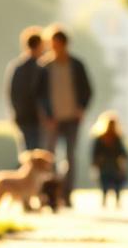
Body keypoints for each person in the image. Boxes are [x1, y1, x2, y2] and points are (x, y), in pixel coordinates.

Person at [35, 26, 92, 206]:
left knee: (70, 156)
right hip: (52, 120)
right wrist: (46, 115)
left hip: (72, 118)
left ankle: (66, 194)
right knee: (49, 159)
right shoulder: (44, 66)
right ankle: (48, 195)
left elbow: (87, 90)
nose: (55, 47)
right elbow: (39, 94)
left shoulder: (76, 65)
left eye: (58, 44)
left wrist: (81, 108)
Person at [5, 26, 46, 150]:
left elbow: (11, 93)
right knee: (39, 151)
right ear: (39, 46)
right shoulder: (41, 68)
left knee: (27, 151)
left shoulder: (17, 67)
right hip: (37, 119)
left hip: (23, 117)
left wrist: (16, 113)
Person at [90, 111, 128, 208]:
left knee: (116, 184)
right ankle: (106, 199)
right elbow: (95, 153)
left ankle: (116, 200)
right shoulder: (100, 138)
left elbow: (123, 152)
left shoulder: (117, 138)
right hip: (105, 165)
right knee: (106, 183)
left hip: (114, 165)